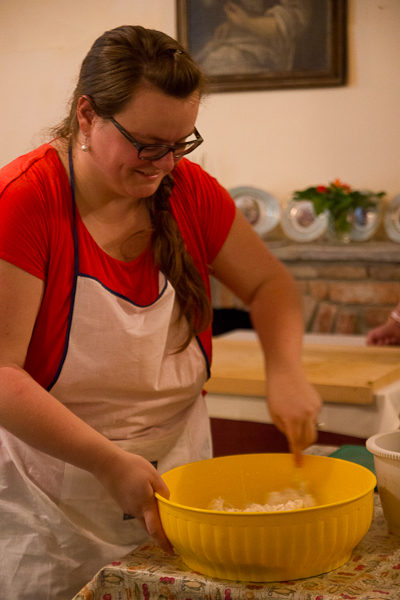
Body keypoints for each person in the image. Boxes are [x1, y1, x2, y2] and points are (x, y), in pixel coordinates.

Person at [0, 25, 321, 600]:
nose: (165, 164)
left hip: (181, 473)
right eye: (147, 143)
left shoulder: (190, 190)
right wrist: (108, 462)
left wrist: (286, 370)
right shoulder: (25, 200)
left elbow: (271, 285)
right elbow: (2, 375)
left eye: (181, 143)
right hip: (53, 500)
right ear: (88, 114)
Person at [196, 0, 311, 75]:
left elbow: (291, 20)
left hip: (268, 51)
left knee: (216, 64)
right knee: (201, 63)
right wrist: (232, 25)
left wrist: (246, 22)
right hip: (239, 39)